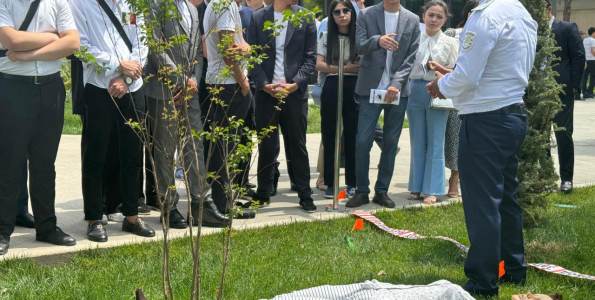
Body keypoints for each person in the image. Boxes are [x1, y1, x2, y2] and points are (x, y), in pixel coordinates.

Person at [426, 0, 537, 296]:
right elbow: (493, 67)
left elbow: (468, 76)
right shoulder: (520, 11)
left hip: (486, 118)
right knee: (505, 199)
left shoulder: (484, 16)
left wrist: (442, 85)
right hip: (512, 113)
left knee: (482, 204)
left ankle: (483, 281)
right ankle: (513, 270)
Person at [70, 0, 156, 242]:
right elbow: (81, 47)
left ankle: (131, 215)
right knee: (95, 154)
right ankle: (95, 219)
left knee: (132, 153)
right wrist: (117, 66)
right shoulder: (80, 4)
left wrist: (126, 79)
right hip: (99, 86)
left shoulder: (134, 4)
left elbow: (142, 43)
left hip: (131, 87)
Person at [0, 0, 80, 255]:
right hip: (12, 88)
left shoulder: (57, 1)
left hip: (51, 88)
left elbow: (72, 43)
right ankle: (2, 230)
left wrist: (28, 53)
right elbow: (10, 39)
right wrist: (51, 37)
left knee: (45, 164)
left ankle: (47, 227)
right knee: (8, 164)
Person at [144, 0, 232, 227]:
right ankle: (168, 207)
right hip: (164, 90)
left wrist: (192, 80)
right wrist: (180, 80)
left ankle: (201, 203)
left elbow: (197, 51)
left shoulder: (193, 9)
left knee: (195, 145)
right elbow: (154, 46)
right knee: (166, 149)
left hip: (189, 91)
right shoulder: (155, 4)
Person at [346, 0, 420, 208]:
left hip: (397, 91)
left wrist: (396, 83)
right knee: (363, 141)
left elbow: (411, 56)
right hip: (370, 87)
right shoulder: (366, 14)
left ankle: (382, 191)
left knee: (390, 142)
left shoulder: (412, 20)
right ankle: (361, 191)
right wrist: (378, 41)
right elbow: (359, 45)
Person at [248, 0, 318, 212]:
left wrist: (295, 84)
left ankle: (305, 194)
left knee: (297, 144)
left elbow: (310, 58)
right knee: (267, 145)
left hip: (294, 93)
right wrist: (264, 85)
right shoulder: (258, 17)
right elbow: (253, 56)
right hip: (266, 94)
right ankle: (263, 192)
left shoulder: (305, 17)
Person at [203, 0, 254, 216]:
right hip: (227, 84)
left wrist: (247, 48)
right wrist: (243, 83)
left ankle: (224, 202)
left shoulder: (224, 4)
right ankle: (222, 205)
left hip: (225, 82)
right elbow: (228, 52)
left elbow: (243, 45)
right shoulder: (223, 4)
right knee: (223, 148)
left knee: (224, 147)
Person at [406, 0, 457, 205]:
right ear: (423, 15)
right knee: (417, 140)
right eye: (431, 15)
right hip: (414, 89)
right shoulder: (414, 37)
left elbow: (454, 70)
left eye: (439, 16)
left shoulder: (451, 42)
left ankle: (433, 188)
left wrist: (439, 70)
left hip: (437, 89)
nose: (434, 20)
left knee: (436, 140)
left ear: (445, 20)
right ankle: (416, 186)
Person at [316, 0, 360, 199]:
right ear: (331, 16)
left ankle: (352, 182)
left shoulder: (359, 36)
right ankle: (331, 183)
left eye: (345, 10)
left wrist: (350, 70)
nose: (342, 15)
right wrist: (344, 68)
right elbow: (320, 65)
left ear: (352, 12)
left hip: (353, 86)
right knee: (330, 134)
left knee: (352, 135)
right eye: (336, 12)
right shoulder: (326, 36)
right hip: (333, 85)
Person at [442, 0, 479, 199]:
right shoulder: (453, 34)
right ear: (468, 15)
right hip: (456, 91)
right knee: (454, 136)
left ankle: (470, 177)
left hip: (481, 94)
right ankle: (453, 178)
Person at [548, 0, 585, 194]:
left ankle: (566, 179)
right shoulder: (530, 30)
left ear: (548, 9)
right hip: (536, 91)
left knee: (562, 133)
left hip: (561, 89)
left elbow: (579, 56)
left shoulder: (567, 28)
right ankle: (544, 176)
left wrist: (572, 84)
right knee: (539, 135)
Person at [583, 28, 595, 99]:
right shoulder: (593, 40)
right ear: (593, 32)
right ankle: (590, 91)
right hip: (592, 60)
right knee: (593, 76)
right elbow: (592, 50)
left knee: (585, 77)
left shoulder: (585, 40)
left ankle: (584, 91)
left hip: (586, 60)